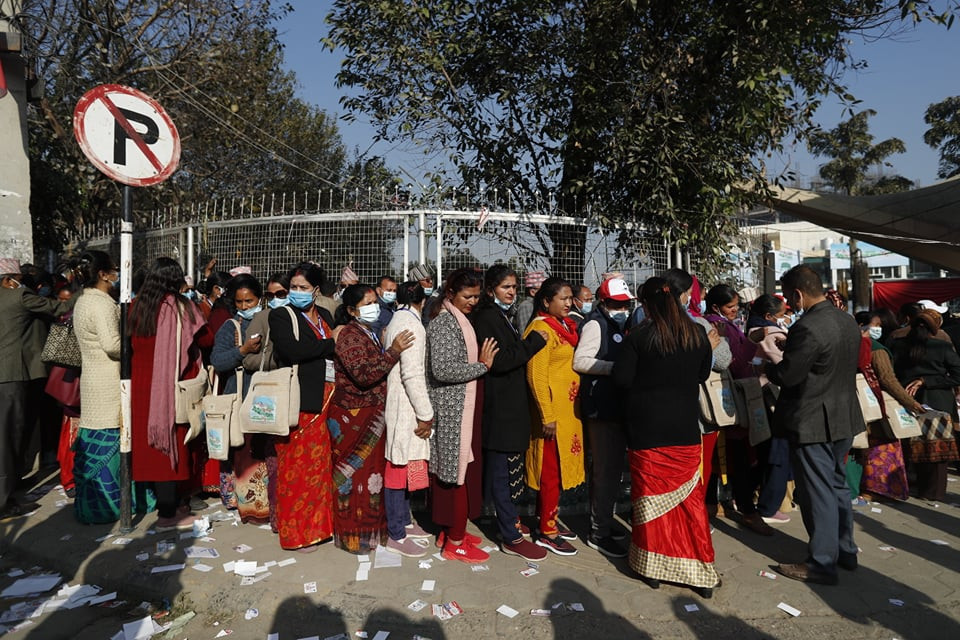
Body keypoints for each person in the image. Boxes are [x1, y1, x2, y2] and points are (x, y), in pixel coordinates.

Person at [612, 277, 718, 598]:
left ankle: (652, 567)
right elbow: (701, 375)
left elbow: (621, 379)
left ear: (646, 304)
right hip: (685, 429)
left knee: (649, 501)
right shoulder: (697, 334)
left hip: (647, 429)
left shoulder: (640, 336)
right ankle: (700, 569)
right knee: (690, 502)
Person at [769, 265, 864, 585]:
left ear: (797, 293)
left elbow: (789, 376)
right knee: (837, 485)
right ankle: (845, 550)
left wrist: (772, 364)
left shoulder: (807, 326)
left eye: (790, 298)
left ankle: (822, 562)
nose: (790, 305)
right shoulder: (845, 319)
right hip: (843, 415)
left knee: (816, 491)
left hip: (812, 419)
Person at [328, 283, 414, 553]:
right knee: (353, 480)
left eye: (375, 301)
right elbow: (363, 375)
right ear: (353, 310)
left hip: (369, 413)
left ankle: (372, 534)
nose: (374, 306)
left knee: (371, 478)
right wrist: (393, 352)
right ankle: (355, 538)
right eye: (367, 303)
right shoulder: (350, 336)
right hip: (355, 415)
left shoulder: (369, 331)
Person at [471, 265, 548, 561]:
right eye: (506, 287)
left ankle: (508, 521)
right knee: (501, 474)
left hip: (507, 407)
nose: (512, 292)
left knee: (502, 472)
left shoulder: (501, 315)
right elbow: (499, 362)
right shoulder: (489, 317)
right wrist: (533, 344)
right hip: (500, 409)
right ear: (491, 289)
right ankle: (510, 535)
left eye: (514, 287)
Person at [129, 257, 212, 532]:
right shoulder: (182, 307)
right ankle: (168, 513)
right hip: (171, 386)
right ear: (175, 279)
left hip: (143, 386)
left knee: (152, 446)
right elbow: (205, 338)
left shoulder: (136, 306)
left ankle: (165, 505)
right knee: (172, 445)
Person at [71, 251, 155, 523]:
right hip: (108, 382)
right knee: (113, 441)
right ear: (103, 274)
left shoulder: (82, 301)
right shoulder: (103, 304)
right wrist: (136, 345)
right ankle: (112, 506)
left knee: (95, 436)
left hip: (92, 379)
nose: (117, 274)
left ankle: (92, 505)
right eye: (114, 270)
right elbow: (111, 344)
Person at [427, 268, 499, 563]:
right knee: (453, 474)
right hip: (451, 413)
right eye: (466, 296)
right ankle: (454, 542)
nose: (472, 301)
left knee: (459, 472)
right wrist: (482, 366)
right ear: (450, 294)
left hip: (460, 410)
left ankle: (453, 532)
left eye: (476, 296)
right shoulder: (445, 323)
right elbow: (442, 370)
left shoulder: (459, 320)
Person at [269, 263, 337, 551]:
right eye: (293, 288)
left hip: (326, 397)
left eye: (303, 288)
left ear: (316, 290)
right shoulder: (282, 316)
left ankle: (319, 528)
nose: (297, 293)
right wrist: (330, 344)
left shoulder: (324, 315)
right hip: (299, 401)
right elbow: (292, 351)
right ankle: (295, 533)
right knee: (295, 469)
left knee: (320, 468)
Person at [1, 257, 75, 520]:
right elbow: (57, 307)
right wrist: (85, 293)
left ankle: (11, 485)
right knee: (10, 435)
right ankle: (4, 501)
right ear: (9, 280)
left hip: (9, 374)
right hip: (12, 376)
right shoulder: (18, 297)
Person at [703, 284, 773, 536]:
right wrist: (751, 342)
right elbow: (729, 361)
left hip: (734, 396)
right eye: (730, 307)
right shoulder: (715, 326)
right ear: (716, 307)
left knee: (727, 456)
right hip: (727, 399)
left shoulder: (722, 324)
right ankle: (744, 509)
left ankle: (721, 505)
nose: (734, 311)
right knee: (736, 457)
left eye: (735, 307)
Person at [660, 270, 730, 521]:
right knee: (698, 467)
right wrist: (714, 344)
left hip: (658, 413)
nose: (693, 297)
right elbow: (724, 360)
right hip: (696, 410)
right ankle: (693, 518)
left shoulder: (645, 322)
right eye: (690, 293)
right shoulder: (697, 324)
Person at [573, 276, 635, 558]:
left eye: (624, 304)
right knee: (605, 472)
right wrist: (615, 368)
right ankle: (598, 532)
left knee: (613, 472)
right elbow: (581, 361)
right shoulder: (596, 324)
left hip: (618, 406)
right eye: (615, 304)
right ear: (603, 302)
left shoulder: (621, 324)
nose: (621, 309)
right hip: (601, 408)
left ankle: (606, 522)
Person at [524, 277, 585, 555]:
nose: (568, 302)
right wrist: (547, 415)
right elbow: (536, 375)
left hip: (567, 412)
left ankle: (550, 517)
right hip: (551, 416)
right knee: (549, 472)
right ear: (546, 301)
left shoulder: (563, 326)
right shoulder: (541, 329)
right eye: (562, 298)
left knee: (557, 471)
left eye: (570, 297)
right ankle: (546, 531)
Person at [210, 274, 271, 524]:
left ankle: (263, 502)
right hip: (239, 398)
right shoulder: (230, 327)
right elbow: (217, 361)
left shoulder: (270, 322)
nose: (245, 307)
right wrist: (243, 351)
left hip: (265, 400)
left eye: (250, 301)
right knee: (239, 449)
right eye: (240, 302)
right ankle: (242, 501)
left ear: (260, 299)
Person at [381, 281, 434, 557]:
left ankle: (402, 522)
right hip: (406, 406)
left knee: (401, 465)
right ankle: (396, 533)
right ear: (422, 301)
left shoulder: (397, 318)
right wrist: (426, 414)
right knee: (397, 468)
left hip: (401, 403)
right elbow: (411, 374)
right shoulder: (412, 324)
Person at [890, 309, 960, 501]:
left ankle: (909, 487)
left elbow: (891, 373)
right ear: (934, 329)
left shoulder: (897, 345)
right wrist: (928, 381)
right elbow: (957, 375)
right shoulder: (941, 347)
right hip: (938, 403)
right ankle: (933, 493)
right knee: (937, 453)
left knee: (909, 446)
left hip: (906, 401)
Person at [853, 311, 916, 502]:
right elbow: (888, 379)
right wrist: (910, 403)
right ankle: (879, 490)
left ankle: (866, 489)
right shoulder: (877, 349)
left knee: (864, 448)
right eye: (875, 325)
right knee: (882, 448)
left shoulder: (852, 344)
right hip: (875, 405)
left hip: (860, 403)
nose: (878, 329)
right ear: (862, 325)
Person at [744, 294, 793, 525]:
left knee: (762, 451)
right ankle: (768, 505)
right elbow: (785, 366)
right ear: (768, 316)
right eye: (782, 314)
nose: (786, 318)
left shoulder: (752, 330)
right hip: (772, 398)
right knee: (775, 452)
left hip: (757, 396)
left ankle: (752, 498)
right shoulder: (772, 334)